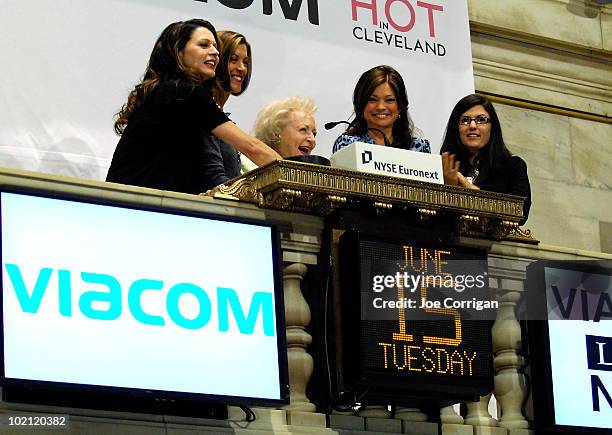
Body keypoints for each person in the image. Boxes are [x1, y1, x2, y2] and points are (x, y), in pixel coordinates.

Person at [106, 19, 280, 194]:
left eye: (215, 47)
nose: (214, 52)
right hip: (134, 207)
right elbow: (252, 148)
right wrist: (298, 175)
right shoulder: (182, 92)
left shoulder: (168, 91)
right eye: (204, 45)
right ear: (178, 52)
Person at [440, 94, 531, 224]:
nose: (472, 125)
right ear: (456, 128)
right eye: (465, 120)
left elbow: (521, 212)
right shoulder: (443, 166)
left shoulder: (513, 166)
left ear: (492, 127)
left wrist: (468, 189)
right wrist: (448, 188)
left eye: (481, 120)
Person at [332, 65, 430, 154]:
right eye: (372, 100)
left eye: (389, 100)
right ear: (361, 105)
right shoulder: (348, 144)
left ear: (400, 106)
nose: (380, 107)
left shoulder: (419, 147)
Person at [199, 30, 253, 189]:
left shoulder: (221, 117)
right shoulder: (201, 111)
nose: (242, 68)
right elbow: (213, 178)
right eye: (233, 60)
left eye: (245, 62)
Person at [252, 96, 317, 158]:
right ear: (275, 133)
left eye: (314, 134)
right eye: (303, 130)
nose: (312, 140)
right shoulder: (247, 167)